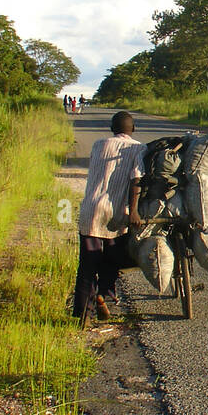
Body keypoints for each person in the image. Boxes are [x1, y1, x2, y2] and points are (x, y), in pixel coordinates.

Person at [72, 111, 145, 325]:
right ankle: (103, 293)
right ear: (134, 129)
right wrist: (134, 211)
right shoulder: (138, 148)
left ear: (112, 128)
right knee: (113, 259)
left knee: (86, 266)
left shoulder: (97, 145)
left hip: (90, 210)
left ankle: (83, 316)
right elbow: (137, 180)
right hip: (115, 214)